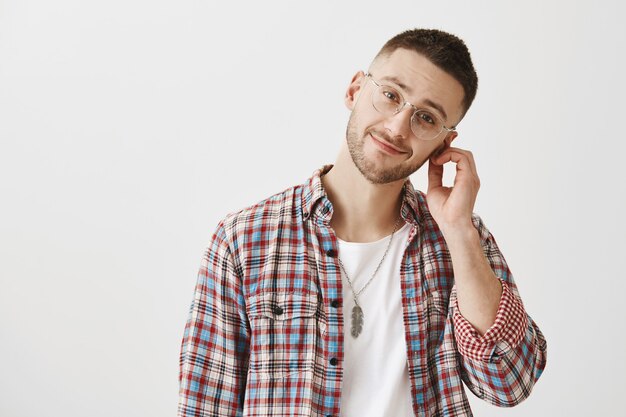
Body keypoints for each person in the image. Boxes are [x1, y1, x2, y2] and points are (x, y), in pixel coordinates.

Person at [177, 28, 547, 417]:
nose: (397, 127)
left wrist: (458, 230)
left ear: (443, 143)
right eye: (390, 95)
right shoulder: (245, 240)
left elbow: (509, 383)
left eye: (426, 117)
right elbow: (206, 405)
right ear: (356, 90)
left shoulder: (460, 238)